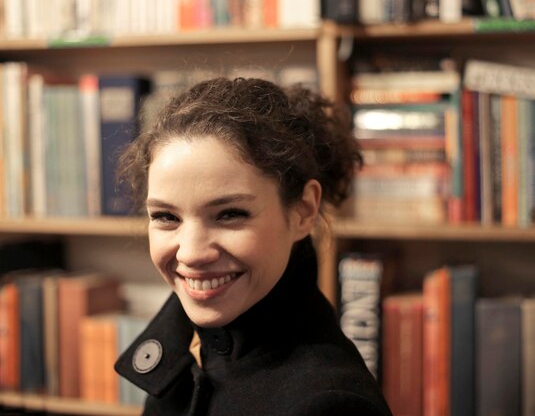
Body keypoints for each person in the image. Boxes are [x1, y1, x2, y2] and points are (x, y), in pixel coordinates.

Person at [114, 77, 392, 416]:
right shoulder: (186, 346)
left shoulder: (331, 405)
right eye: (166, 216)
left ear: (303, 211)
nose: (191, 253)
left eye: (230, 214)